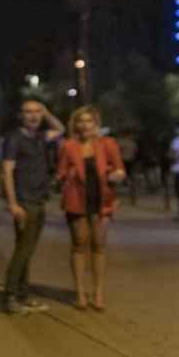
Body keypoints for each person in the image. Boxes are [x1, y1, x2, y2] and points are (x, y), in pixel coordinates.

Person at [57, 107, 125, 311]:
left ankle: (98, 294)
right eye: (81, 121)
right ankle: (80, 293)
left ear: (96, 123)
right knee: (79, 245)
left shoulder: (107, 144)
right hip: (76, 201)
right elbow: (59, 174)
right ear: (75, 125)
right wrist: (68, 174)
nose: (85, 125)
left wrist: (117, 175)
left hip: (102, 202)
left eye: (89, 121)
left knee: (99, 246)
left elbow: (120, 169)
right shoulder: (68, 146)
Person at [1, 100, 65, 315]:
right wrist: (12, 203)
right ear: (21, 115)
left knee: (26, 250)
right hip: (24, 202)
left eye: (37, 111)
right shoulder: (14, 138)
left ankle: (22, 294)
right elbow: (7, 172)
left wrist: (47, 112)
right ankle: (11, 295)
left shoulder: (40, 136)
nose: (34, 115)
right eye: (28, 112)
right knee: (23, 250)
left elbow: (60, 129)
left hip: (39, 199)